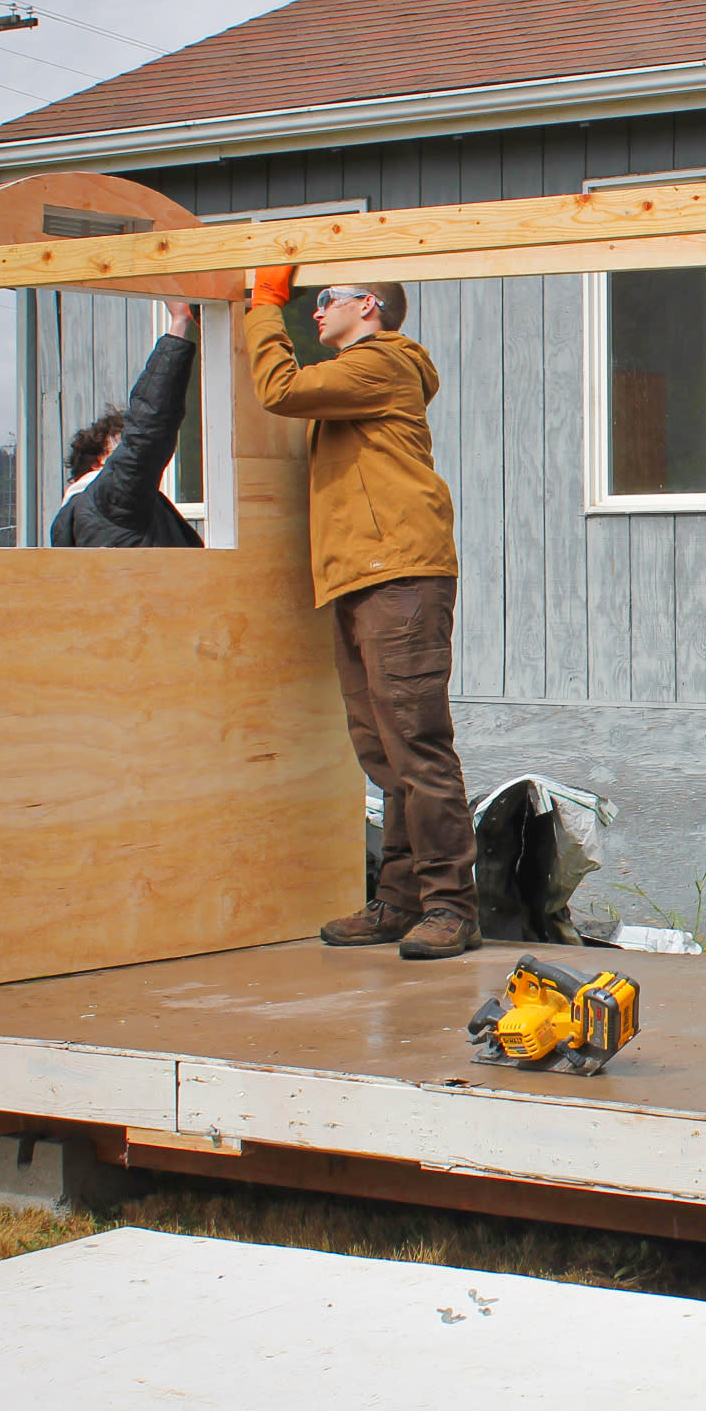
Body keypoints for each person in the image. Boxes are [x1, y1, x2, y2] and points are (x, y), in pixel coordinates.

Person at [245, 269, 480, 960]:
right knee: (381, 750)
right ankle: (401, 900)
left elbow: (279, 389)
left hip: (400, 571)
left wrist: (264, 308)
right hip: (361, 574)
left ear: (367, 307)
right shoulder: (360, 375)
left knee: (416, 742)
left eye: (325, 300)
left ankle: (451, 906)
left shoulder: (381, 361)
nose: (312, 314)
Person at [49, 302, 207, 549]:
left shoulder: (77, 518)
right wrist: (180, 322)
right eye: (119, 444)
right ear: (98, 462)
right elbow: (147, 430)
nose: (125, 449)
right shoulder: (108, 499)